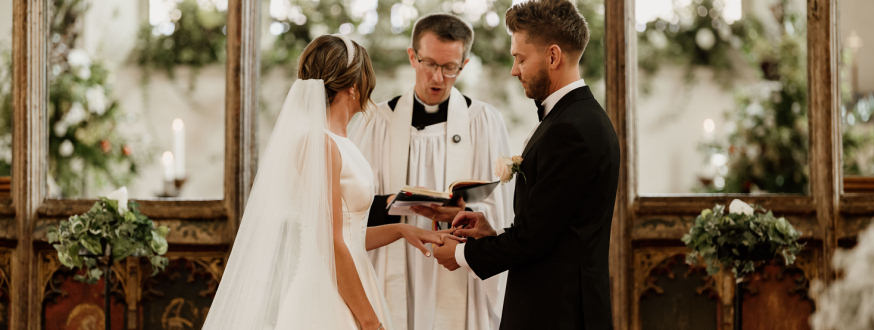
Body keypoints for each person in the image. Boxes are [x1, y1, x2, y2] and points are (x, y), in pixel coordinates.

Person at [203, 34, 462, 330]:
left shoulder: (339, 142)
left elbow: (347, 235)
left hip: (349, 281)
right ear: (353, 87)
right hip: (326, 295)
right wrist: (369, 321)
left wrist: (402, 229)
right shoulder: (322, 145)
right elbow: (331, 243)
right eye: (367, 79)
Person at [433, 1, 620, 329]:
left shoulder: (571, 129)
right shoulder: (574, 118)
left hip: (559, 313)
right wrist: (492, 233)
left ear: (552, 56)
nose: (514, 69)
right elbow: (553, 225)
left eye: (520, 57)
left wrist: (461, 255)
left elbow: (535, 239)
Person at [348, 13, 514, 330]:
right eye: (429, 64)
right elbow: (351, 206)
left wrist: (462, 212)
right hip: (393, 262)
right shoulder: (376, 121)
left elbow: (501, 210)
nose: (437, 78)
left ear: (464, 65)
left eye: (449, 67)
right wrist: (394, 203)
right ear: (413, 57)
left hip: (456, 265)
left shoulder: (484, 122)